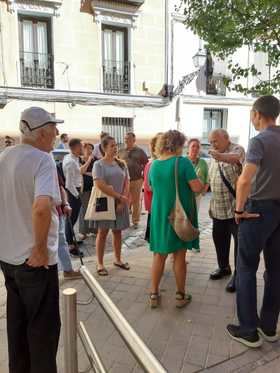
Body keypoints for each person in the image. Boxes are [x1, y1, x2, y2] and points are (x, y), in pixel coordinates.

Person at [0, 106, 63, 373]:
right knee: (42, 334)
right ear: (42, 134)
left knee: (17, 328)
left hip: (8, 258)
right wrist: (39, 249)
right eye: (53, 132)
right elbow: (40, 207)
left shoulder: (4, 156)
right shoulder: (42, 159)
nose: (56, 136)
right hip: (34, 262)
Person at [227, 95, 280, 348]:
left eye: (252, 113)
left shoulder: (259, 141)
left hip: (258, 211)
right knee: (276, 270)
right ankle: (269, 327)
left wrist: (238, 210)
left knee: (246, 267)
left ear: (258, 114)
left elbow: (245, 180)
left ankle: (248, 330)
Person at [148, 130, 203, 308]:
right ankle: (180, 296)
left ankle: (154, 294)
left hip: (159, 214)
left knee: (159, 255)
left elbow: (151, 186)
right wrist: (201, 183)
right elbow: (196, 188)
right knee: (179, 256)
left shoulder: (154, 164)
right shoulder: (183, 162)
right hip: (179, 216)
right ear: (179, 145)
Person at [208, 129, 245, 293]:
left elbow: (236, 159)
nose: (212, 145)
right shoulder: (214, 156)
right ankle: (224, 267)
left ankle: (238, 275)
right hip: (218, 209)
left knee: (239, 244)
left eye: (215, 141)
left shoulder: (237, 149)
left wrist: (219, 156)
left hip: (235, 209)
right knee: (219, 241)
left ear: (226, 138)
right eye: (210, 142)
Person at [93, 136, 130, 276]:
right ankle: (100, 263)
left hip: (120, 201)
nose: (115, 148)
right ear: (104, 148)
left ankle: (118, 259)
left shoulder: (121, 164)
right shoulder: (99, 165)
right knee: (102, 233)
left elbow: (127, 182)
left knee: (118, 231)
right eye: (111, 146)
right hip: (104, 202)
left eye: (116, 145)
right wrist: (119, 197)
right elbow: (99, 184)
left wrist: (122, 200)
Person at [118, 132, 148, 229]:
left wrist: (144, 176)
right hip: (124, 180)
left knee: (136, 201)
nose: (126, 140)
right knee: (123, 200)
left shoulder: (140, 151)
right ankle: (124, 220)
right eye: (125, 138)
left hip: (136, 179)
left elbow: (146, 164)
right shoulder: (121, 151)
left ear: (134, 140)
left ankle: (135, 221)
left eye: (129, 139)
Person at [56, 166, 82, 279]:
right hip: (38, 215)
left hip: (56, 211)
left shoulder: (48, 161)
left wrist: (65, 203)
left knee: (61, 241)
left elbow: (61, 187)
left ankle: (67, 270)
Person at [63, 138, 84, 256]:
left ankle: (71, 240)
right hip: (73, 192)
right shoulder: (70, 161)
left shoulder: (74, 158)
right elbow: (69, 184)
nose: (82, 149)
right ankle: (70, 246)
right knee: (71, 220)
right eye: (81, 147)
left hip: (76, 191)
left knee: (73, 219)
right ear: (75, 147)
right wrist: (76, 196)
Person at [143, 133, 162, 242]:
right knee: (157, 238)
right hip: (156, 205)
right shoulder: (152, 164)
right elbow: (148, 187)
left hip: (160, 205)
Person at [187, 138, 209, 210]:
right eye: (193, 146)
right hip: (185, 194)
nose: (195, 148)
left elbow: (208, 178)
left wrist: (204, 191)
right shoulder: (184, 161)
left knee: (194, 214)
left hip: (197, 195)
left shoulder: (203, 162)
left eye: (198, 147)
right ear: (188, 148)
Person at [79, 142, 95, 239]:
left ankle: (94, 230)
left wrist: (86, 173)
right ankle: (83, 232)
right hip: (83, 188)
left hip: (93, 188)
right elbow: (81, 171)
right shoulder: (80, 160)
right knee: (84, 210)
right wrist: (88, 161)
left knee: (93, 209)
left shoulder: (96, 160)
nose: (89, 151)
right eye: (87, 148)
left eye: (91, 148)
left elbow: (96, 173)